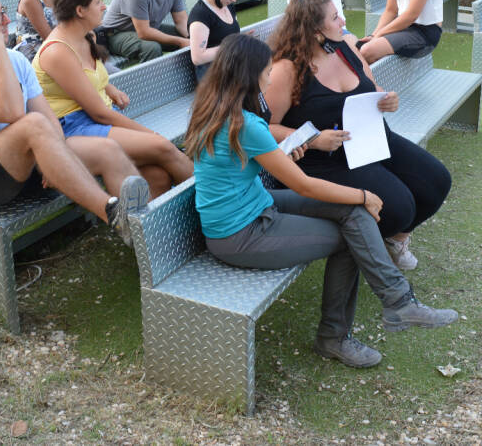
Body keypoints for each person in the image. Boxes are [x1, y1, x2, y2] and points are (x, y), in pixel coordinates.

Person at [185, 33, 457, 368]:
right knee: (351, 234)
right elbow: (304, 185)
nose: (269, 78)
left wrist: (292, 147)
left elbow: (242, 161)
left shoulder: (211, 108)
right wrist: (363, 195)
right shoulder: (246, 124)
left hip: (255, 204)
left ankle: (399, 303)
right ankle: (335, 336)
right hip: (240, 233)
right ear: (249, 74)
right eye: (266, 72)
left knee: (353, 215)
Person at [0, 0, 148, 243]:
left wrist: (51, 158)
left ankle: (147, 235)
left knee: (107, 150)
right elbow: (10, 112)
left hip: (24, 163)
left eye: (3, 10)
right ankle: (112, 213)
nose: (7, 19)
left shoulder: (16, 60)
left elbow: (49, 119)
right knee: (31, 123)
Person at [266, 0, 452, 271]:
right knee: (400, 207)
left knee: (437, 181)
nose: (342, 21)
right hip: (324, 160)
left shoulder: (345, 47)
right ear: (315, 30)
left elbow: (371, 88)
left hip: (370, 139)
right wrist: (314, 139)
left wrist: (386, 98)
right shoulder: (287, 70)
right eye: (334, 17)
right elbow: (264, 128)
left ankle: (394, 241)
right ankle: (358, 242)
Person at [34, 0, 194, 198]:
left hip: (98, 116)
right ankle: (222, 209)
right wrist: (153, 135)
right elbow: (100, 114)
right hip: (73, 128)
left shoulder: (86, 35)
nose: (104, 6)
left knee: (158, 176)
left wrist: (110, 88)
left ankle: (155, 231)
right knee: (164, 148)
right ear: (80, 11)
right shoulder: (57, 52)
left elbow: (89, 76)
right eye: (98, 2)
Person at [187, 0, 245, 80]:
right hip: (212, 78)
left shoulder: (228, 6)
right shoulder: (200, 14)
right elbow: (198, 57)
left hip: (230, 68)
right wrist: (232, 47)